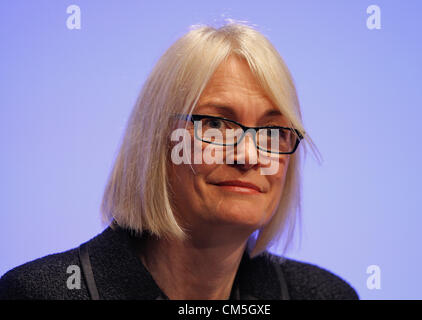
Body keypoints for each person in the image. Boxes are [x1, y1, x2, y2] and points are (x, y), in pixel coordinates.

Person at [0, 22, 358, 300]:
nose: (249, 156)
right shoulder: (40, 292)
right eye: (216, 124)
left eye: (271, 131)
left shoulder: (326, 294)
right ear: (156, 142)